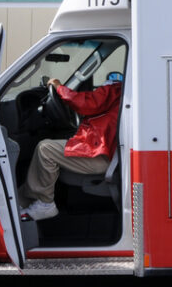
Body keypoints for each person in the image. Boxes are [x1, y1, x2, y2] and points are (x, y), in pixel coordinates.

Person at [18, 75, 123, 221]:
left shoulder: (115, 88)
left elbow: (84, 103)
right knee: (49, 147)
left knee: (45, 149)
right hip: (105, 152)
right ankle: (21, 200)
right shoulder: (123, 91)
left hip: (100, 156)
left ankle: (45, 203)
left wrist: (58, 86)